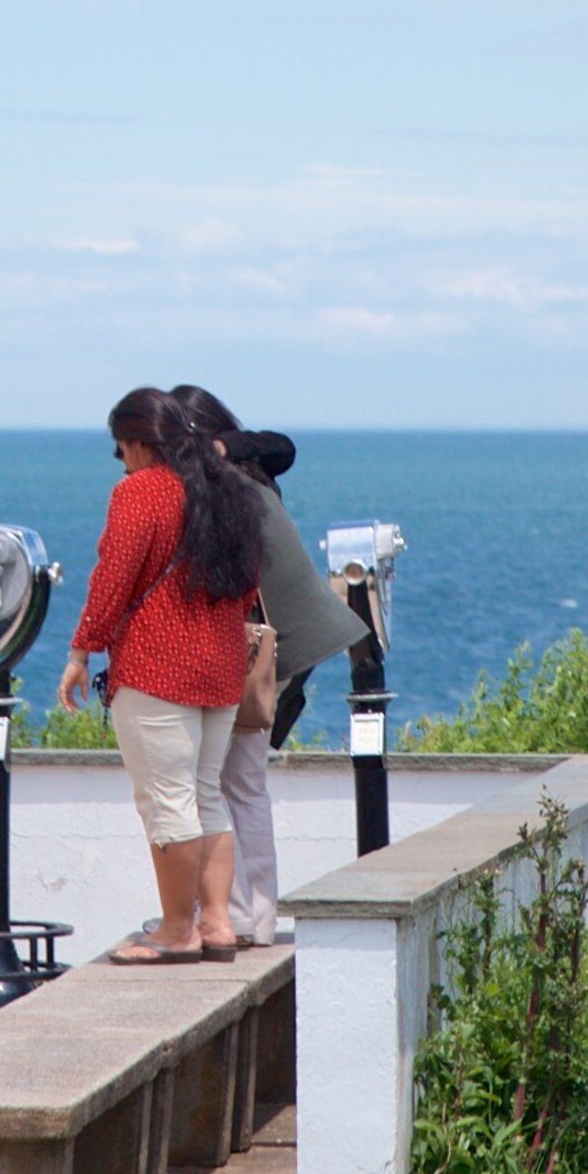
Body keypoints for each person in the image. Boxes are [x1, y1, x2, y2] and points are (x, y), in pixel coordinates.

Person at [57, 388, 263, 965]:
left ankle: (177, 930)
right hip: (220, 664)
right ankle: (218, 923)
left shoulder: (141, 492)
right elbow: (249, 586)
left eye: (121, 450)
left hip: (157, 665)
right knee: (206, 796)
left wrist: (82, 649)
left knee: (167, 800)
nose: (122, 462)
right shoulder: (231, 490)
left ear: (138, 443)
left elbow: (114, 575)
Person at [169, 385, 371, 949]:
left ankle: (230, 915)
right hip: (288, 641)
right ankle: (253, 915)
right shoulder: (252, 474)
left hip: (259, 647)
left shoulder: (224, 483)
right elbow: (281, 447)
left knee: (218, 781)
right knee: (245, 783)